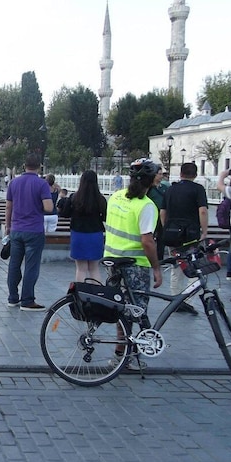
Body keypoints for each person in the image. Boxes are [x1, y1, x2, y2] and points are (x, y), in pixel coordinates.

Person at [104, 158, 163, 371]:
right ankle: (126, 356)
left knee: (120, 307)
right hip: (135, 264)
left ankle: (122, 353)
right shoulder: (146, 205)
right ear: (151, 181)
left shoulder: (116, 196)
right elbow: (147, 241)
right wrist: (156, 268)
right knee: (135, 310)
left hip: (112, 258)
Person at [5, 153, 53, 311]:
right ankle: (27, 300)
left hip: (16, 229)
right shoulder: (42, 184)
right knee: (31, 266)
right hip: (34, 230)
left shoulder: (14, 183)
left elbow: (8, 207)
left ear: (24, 166)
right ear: (39, 167)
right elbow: (48, 207)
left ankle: (13, 297)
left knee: (14, 264)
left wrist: (8, 226)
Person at [160, 162, 207, 314]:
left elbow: (162, 212)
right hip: (191, 234)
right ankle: (187, 300)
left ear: (180, 173)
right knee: (192, 267)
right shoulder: (198, 189)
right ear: (195, 175)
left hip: (172, 233)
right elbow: (203, 211)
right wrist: (204, 231)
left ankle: (175, 299)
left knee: (176, 267)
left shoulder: (171, 189)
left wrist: (166, 227)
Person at [68, 170, 107, 283]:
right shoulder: (100, 199)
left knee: (81, 269)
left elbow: (66, 213)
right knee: (94, 268)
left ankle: (81, 294)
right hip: (95, 234)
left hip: (78, 234)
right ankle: (96, 294)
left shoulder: (75, 198)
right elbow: (105, 217)